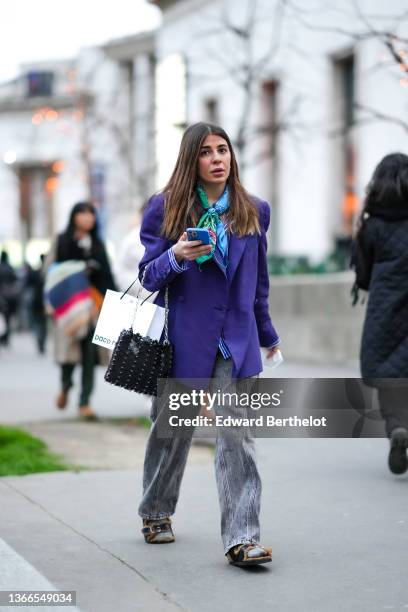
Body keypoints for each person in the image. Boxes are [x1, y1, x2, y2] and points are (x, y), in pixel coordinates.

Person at [137, 122, 281, 567]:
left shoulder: (253, 210)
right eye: (207, 152)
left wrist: (268, 335)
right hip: (184, 340)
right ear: (191, 160)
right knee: (172, 431)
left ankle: (242, 537)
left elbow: (258, 284)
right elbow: (146, 276)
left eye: (224, 150)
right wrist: (175, 256)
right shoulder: (166, 209)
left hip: (235, 342)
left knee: (237, 435)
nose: (219, 158)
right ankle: (156, 511)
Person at [351, 152, 408, 475]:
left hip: (386, 309)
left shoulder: (371, 225)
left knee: (389, 378)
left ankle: (398, 428)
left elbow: (363, 275)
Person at [45, 202, 116, 420]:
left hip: (93, 306)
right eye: (82, 213)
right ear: (74, 216)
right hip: (68, 307)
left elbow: (107, 275)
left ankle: (85, 402)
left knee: (88, 354)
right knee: (68, 353)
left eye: (91, 214)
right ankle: (66, 386)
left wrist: (113, 301)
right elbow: (51, 272)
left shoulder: (98, 243)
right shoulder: (61, 240)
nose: (87, 218)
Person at [0, 250, 19, 346]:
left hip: (2, 296)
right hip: (9, 297)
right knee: (7, 318)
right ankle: (5, 337)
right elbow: (16, 281)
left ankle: (2, 337)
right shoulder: (10, 268)